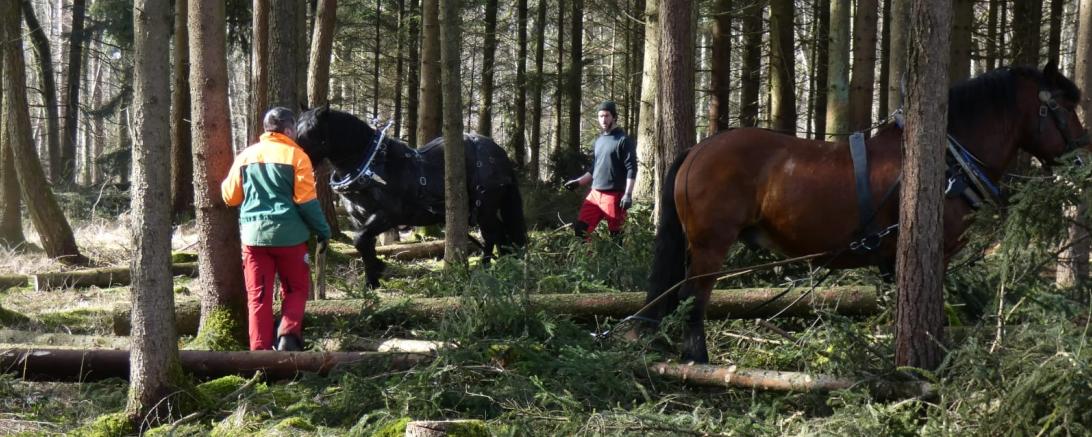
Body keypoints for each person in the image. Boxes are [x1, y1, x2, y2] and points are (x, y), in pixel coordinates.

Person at [221, 107, 331, 351]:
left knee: (258, 297)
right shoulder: (298, 156)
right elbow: (306, 202)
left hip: (253, 240)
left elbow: (230, 196)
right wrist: (323, 231)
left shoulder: (246, 156)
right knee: (296, 289)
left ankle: (259, 354)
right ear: (289, 130)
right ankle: (288, 339)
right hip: (290, 239)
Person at [564, 100, 638, 238]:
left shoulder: (623, 140)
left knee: (616, 237)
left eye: (607, 116)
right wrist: (578, 182)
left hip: (614, 197)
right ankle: (589, 259)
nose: (603, 119)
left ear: (614, 117)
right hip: (595, 194)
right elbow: (595, 169)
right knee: (580, 231)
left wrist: (628, 194)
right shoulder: (599, 141)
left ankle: (614, 260)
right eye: (600, 116)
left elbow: (631, 168)